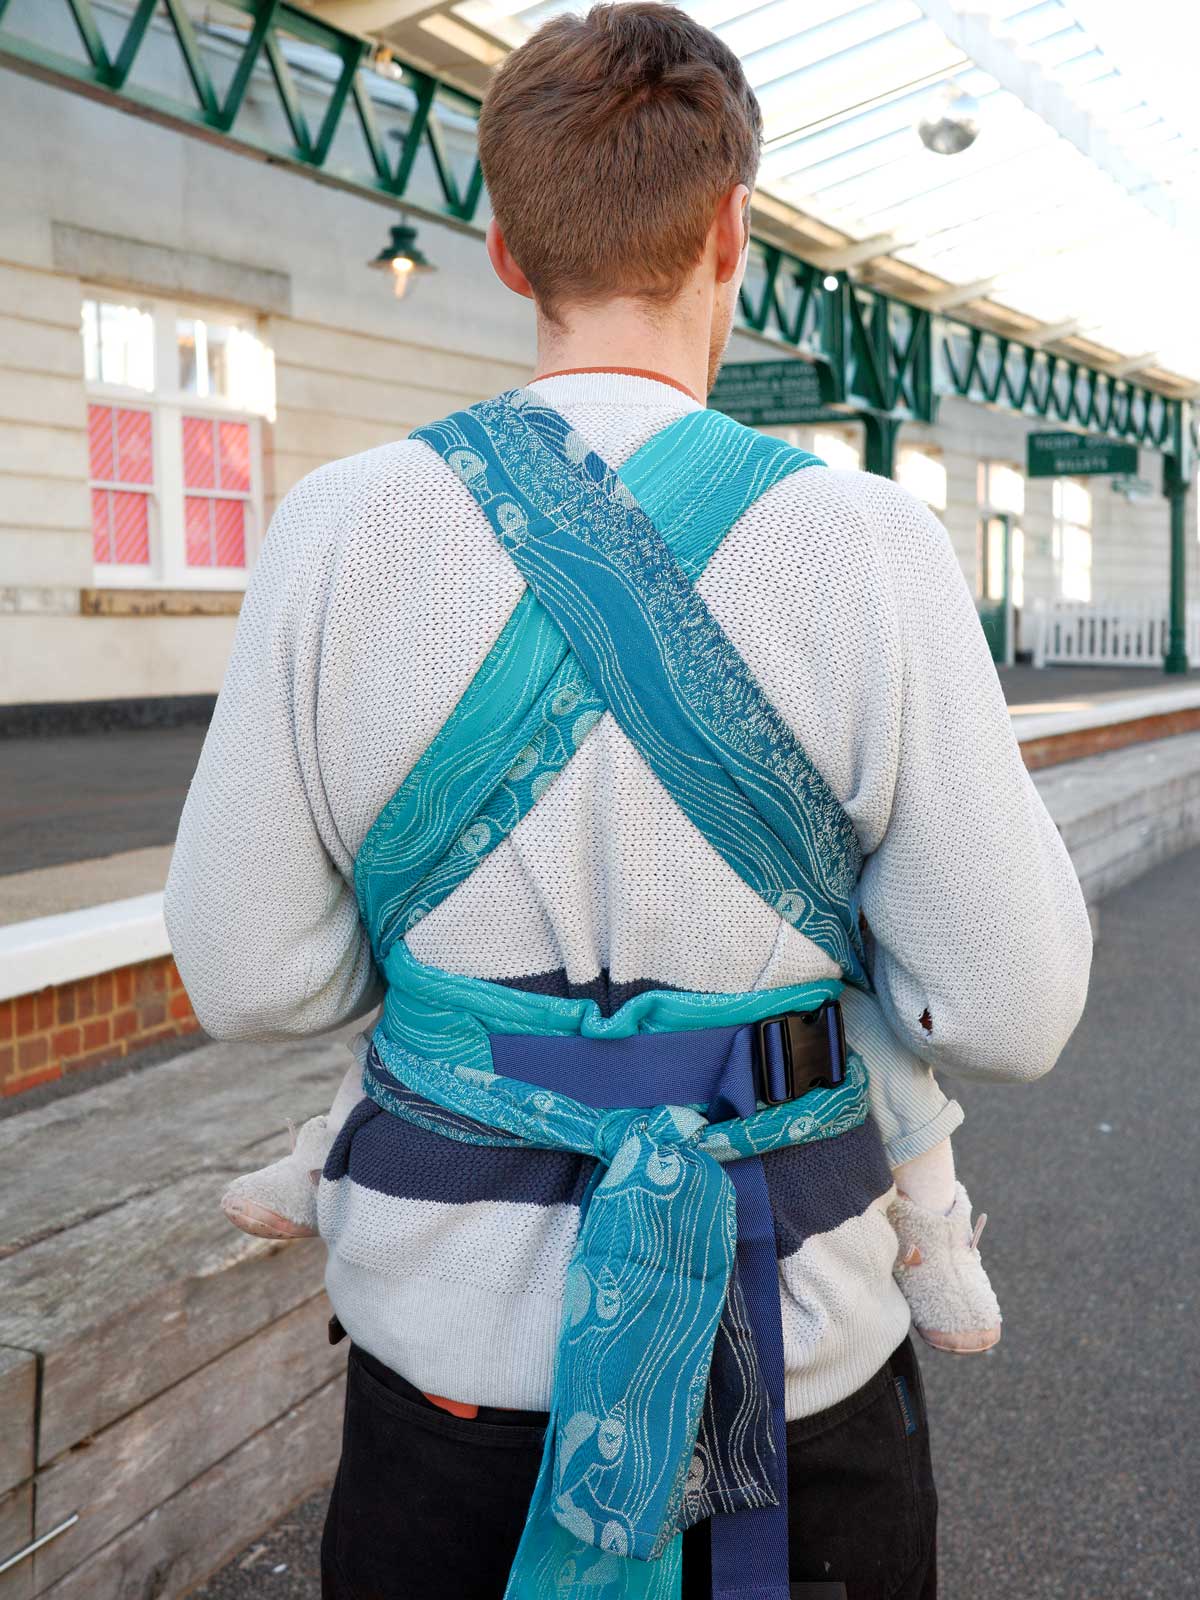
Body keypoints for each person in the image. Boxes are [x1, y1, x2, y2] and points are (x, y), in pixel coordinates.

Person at [165, 7, 1092, 1598]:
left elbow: (250, 976)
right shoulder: (865, 545)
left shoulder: (336, 531)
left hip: (449, 1367)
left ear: (507, 250)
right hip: (795, 1362)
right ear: (733, 228)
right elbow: (1007, 1008)